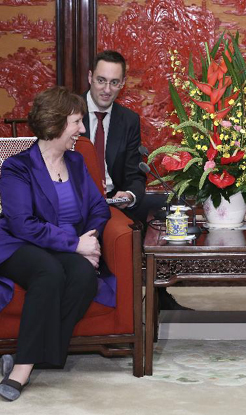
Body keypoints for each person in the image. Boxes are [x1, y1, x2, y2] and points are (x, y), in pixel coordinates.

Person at [0, 86, 116, 401]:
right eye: (76, 122)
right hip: (17, 246)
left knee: (85, 277)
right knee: (49, 272)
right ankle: (23, 368)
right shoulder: (17, 167)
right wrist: (75, 245)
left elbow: (99, 208)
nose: (82, 130)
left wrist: (91, 238)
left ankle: (37, 355)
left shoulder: (75, 162)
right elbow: (23, 224)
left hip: (65, 245)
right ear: (56, 124)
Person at [81, 50, 188, 310]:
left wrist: (128, 196)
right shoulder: (69, 113)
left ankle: (159, 290)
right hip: (77, 199)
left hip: (112, 197)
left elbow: (134, 173)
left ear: (123, 84)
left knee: (173, 204)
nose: (107, 89)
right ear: (90, 77)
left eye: (114, 82)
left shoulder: (127, 120)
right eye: (101, 80)